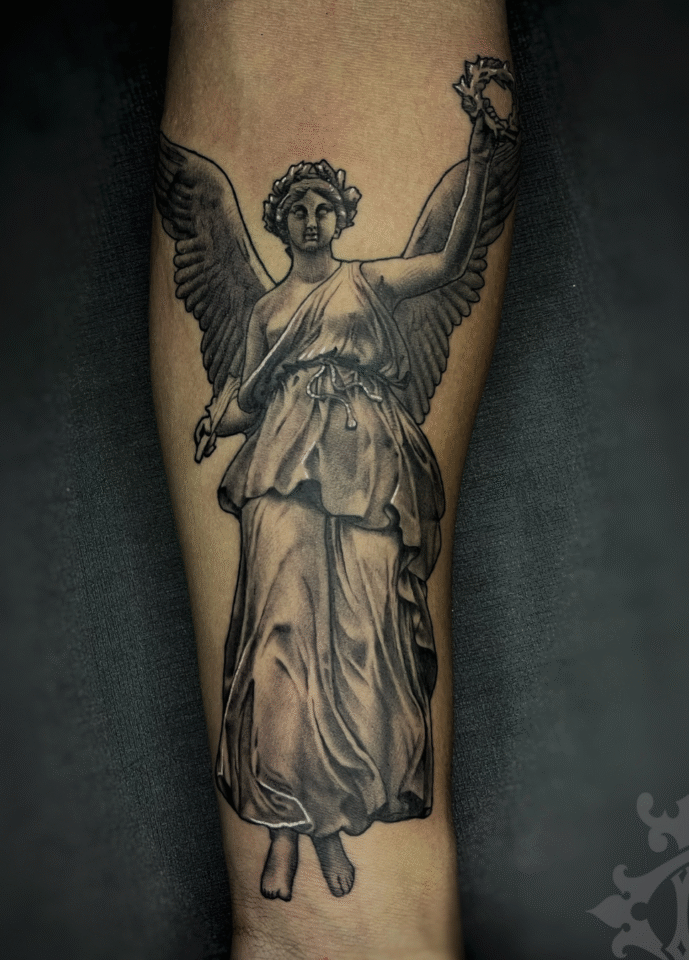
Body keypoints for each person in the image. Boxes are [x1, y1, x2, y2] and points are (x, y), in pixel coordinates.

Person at [198, 114, 498, 902]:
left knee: (362, 639)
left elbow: (450, 261)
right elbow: (248, 400)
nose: (310, 219)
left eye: (322, 207)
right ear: (279, 221)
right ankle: (288, 832)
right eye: (296, 209)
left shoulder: (368, 282)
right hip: (284, 472)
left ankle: (333, 821)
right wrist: (213, 420)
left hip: (365, 466)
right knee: (281, 643)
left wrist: (477, 158)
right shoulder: (267, 311)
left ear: (340, 217)